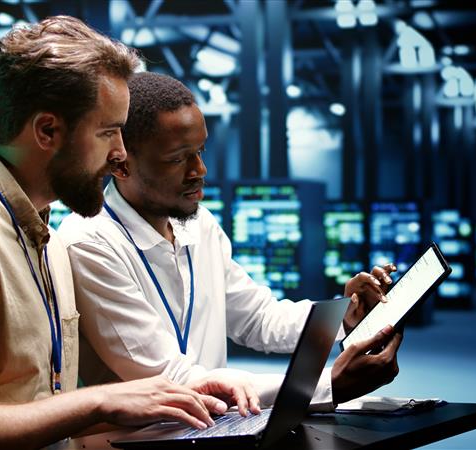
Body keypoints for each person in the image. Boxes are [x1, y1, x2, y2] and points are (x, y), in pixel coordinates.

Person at [0, 19, 258, 450]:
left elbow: (38, 406)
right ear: (48, 130)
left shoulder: (41, 236)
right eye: (108, 132)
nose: (120, 154)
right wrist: (100, 402)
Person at [57, 71, 403, 411]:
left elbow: (259, 319)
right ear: (120, 165)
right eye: (178, 159)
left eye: (200, 151)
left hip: (214, 429)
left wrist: (345, 315)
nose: (199, 170)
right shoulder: (90, 244)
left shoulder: (199, 225)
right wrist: (328, 385)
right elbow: (174, 380)